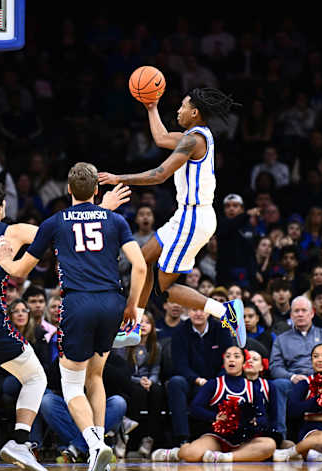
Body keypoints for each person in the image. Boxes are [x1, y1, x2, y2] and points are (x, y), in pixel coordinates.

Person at [0, 181, 128, 468]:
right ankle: (20, 442)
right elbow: (62, 233)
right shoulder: (11, 231)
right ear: (0, 207)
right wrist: (102, 210)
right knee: (34, 378)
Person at [0, 162, 147, 471]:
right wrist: (132, 306)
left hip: (78, 304)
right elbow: (141, 267)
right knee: (96, 376)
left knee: (72, 385)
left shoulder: (54, 222)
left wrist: (6, 261)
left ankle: (94, 444)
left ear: (67, 190)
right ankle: (101, 443)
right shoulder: (116, 220)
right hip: (113, 302)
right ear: (96, 190)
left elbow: (22, 271)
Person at [98, 87, 246, 347]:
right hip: (186, 215)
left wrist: (118, 177)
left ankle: (225, 312)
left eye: (182, 106)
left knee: (163, 288)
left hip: (193, 218)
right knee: (142, 262)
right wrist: (151, 107)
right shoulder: (195, 135)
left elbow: (159, 174)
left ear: (195, 112)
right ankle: (133, 328)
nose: (178, 110)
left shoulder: (193, 140)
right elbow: (161, 137)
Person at [157, 346, 277, 463]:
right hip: (217, 438)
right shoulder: (214, 384)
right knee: (191, 454)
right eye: (228, 356)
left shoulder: (252, 388)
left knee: (269, 445)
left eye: (236, 356)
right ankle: (175, 453)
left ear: (244, 363)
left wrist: (255, 421)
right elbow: (195, 408)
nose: (231, 359)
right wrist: (215, 416)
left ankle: (225, 458)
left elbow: (263, 417)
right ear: (223, 362)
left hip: (244, 440)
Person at [269, 296, 322, 441]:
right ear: (291, 315)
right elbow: (275, 367)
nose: (300, 314)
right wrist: (291, 377)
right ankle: (281, 438)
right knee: (278, 384)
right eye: (296, 311)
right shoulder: (281, 339)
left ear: (312, 313)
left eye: (304, 310)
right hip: (295, 381)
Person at [162, 308, 234, 447]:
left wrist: (214, 383)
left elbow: (228, 360)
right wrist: (198, 380)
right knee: (175, 382)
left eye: (202, 310)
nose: (198, 314)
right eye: (194, 310)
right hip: (192, 381)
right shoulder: (180, 331)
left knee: (230, 380)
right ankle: (182, 439)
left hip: (216, 381)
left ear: (209, 312)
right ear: (188, 312)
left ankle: (226, 437)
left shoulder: (221, 329)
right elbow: (180, 365)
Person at [116, 311, 164, 458]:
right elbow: (124, 372)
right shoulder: (126, 345)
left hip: (148, 381)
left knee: (157, 391)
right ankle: (124, 437)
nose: (143, 325)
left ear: (152, 327)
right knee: (139, 392)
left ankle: (148, 438)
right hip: (131, 381)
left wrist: (151, 381)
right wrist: (140, 381)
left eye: (147, 322)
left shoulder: (156, 346)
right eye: (140, 322)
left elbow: (156, 369)